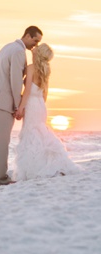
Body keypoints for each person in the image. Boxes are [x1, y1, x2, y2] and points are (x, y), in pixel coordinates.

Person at [0, 26, 42, 187]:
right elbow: (15, 81)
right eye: (35, 40)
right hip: (3, 101)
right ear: (27, 35)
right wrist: (17, 105)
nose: (36, 45)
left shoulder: (7, 47)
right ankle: (0, 178)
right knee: (1, 141)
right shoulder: (19, 52)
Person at [12, 43, 79, 180]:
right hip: (41, 105)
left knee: (31, 133)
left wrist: (21, 108)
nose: (34, 49)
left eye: (37, 48)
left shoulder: (31, 68)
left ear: (39, 53)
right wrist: (40, 104)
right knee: (41, 132)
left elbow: (27, 91)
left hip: (31, 103)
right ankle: (48, 163)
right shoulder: (46, 69)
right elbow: (45, 93)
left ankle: (34, 167)